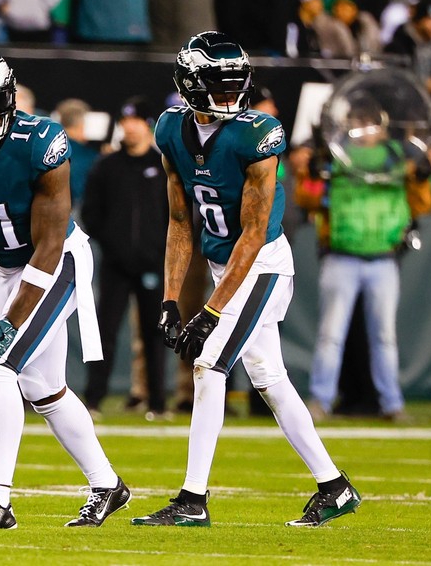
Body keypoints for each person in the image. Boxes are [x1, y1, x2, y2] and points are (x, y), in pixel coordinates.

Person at [130, 31, 360, 528]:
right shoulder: (171, 129)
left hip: (262, 266)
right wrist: (171, 298)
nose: (231, 94)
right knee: (270, 378)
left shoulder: (258, 133)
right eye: (219, 83)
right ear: (191, 83)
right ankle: (335, 487)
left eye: (237, 83)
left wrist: (211, 311)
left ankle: (192, 499)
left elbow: (253, 235)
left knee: (208, 366)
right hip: (223, 265)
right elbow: (179, 222)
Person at [0, 45, 130, 528]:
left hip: (54, 263)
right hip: (5, 265)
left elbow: (50, 245)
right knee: (43, 389)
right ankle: (108, 485)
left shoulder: (41, 141)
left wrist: (7, 323)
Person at [305, 90, 431, 422]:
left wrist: (421, 178)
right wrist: (314, 174)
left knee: (383, 337)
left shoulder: (395, 157)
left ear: (381, 126)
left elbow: (421, 204)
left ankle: (391, 403)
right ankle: (320, 399)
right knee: (331, 334)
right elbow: (309, 198)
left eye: (369, 123)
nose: (363, 129)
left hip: (383, 256)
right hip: (342, 254)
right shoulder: (336, 157)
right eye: (358, 123)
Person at [81, 96, 168, 419]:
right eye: (125, 121)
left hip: (152, 265)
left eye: (135, 121)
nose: (129, 127)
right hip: (116, 264)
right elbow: (92, 213)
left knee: (154, 334)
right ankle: (93, 398)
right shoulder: (107, 166)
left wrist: (156, 251)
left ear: (147, 126)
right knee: (104, 332)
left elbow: (176, 217)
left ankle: (157, 402)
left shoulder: (162, 167)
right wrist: (113, 246)